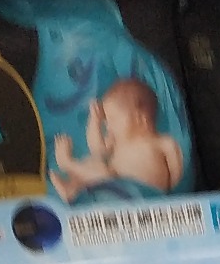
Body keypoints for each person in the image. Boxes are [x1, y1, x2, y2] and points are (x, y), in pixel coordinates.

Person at [50, 78, 185, 199]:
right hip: (115, 190)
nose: (108, 126)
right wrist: (95, 121)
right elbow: (97, 150)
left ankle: (68, 164)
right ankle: (72, 189)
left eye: (113, 119)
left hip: (140, 193)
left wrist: (174, 191)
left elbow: (178, 172)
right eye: (107, 121)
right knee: (94, 163)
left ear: (139, 118)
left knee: (103, 171)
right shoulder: (118, 142)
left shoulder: (163, 142)